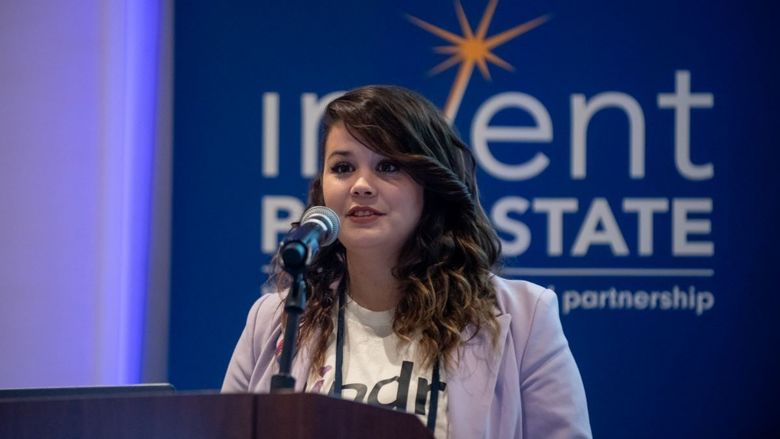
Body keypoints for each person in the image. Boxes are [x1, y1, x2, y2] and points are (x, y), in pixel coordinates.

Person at [222, 85, 591, 439]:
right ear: (322, 188)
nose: (361, 185)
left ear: (430, 185)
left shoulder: (527, 319)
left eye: (387, 167)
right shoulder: (273, 319)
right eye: (343, 167)